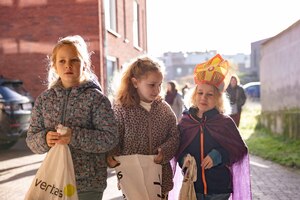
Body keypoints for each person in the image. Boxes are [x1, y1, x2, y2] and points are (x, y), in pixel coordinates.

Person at [26, 35, 119, 200]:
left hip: (88, 184)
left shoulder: (96, 99)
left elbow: (110, 138)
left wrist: (74, 136)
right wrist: (44, 139)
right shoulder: (44, 100)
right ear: (54, 65)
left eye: (74, 60)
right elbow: (32, 139)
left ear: (84, 64)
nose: (68, 65)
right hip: (54, 182)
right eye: (62, 61)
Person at [172, 54, 252, 200]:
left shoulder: (224, 122)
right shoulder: (185, 122)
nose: (203, 98)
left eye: (210, 94)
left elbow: (239, 150)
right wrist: (184, 159)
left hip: (219, 189)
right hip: (193, 188)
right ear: (194, 95)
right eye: (200, 93)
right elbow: (177, 149)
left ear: (218, 99)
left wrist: (219, 155)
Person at [107, 56, 180, 199]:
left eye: (159, 85)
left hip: (160, 178)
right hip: (132, 178)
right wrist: (111, 154)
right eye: (152, 85)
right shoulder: (122, 108)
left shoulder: (164, 109)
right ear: (135, 82)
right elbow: (114, 136)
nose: (157, 90)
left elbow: (175, 135)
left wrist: (164, 152)